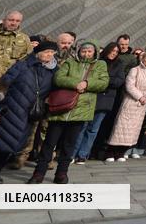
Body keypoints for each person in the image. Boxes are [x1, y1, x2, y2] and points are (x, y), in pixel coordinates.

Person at [0, 41, 53, 184]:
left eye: (52, 53)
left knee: (12, 145)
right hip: (9, 109)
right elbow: (4, 83)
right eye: (46, 52)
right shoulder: (23, 65)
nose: (49, 55)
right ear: (38, 52)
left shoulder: (53, 71)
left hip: (28, 114)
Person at [30, 39, 108, 184]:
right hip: (60, 109)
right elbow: (58, 78)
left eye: (89, 51)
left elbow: (104, 83)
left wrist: (88, 83)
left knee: (69, 144)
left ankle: (61, 173)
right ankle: (38, 173)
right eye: (83, 51)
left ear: (95, 52)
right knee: (49, 142)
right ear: (78, 51)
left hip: (81, 110)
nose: (86, 54)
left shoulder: (100, 65)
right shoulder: (70, 62)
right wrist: (75, 84)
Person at [73, 42, 124, 164]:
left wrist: (103, 80)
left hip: (105, 101)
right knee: (81, 127)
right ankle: (72, 154)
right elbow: (89, 77)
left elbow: (119, 81)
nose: (114, 53)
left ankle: (82, 155)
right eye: (112, 50)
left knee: (93, 129)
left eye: (116, 52)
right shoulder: (97, 61)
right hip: (90, 97)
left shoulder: (119, 64)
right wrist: (102, 81)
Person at [106, 49, 146, 162]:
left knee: (132, 130)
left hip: (142, 106)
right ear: (142, 59)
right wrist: (140, 97)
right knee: (121, 127)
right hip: (131, 101)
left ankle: (121, 153)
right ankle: (110, 151)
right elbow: (129, 86)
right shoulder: (135, 70)